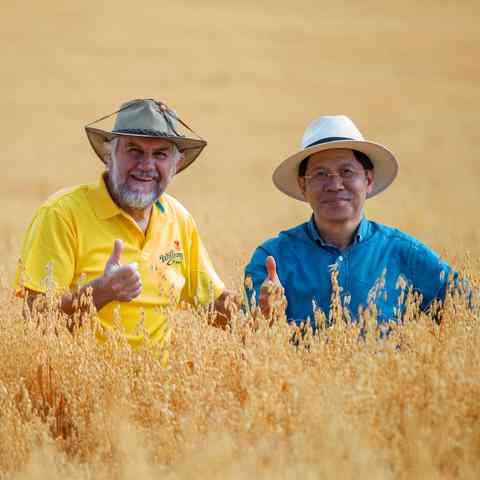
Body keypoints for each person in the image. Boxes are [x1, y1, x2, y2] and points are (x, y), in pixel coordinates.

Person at [15, 98, 231, 352]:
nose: (146, 165)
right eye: (134, 150)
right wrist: (99, 293)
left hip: (161, 389)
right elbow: (35, 320)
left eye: (160, 154)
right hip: (80, 388)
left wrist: (268, 310)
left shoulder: (178, 218)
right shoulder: (62, 214)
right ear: (109, 155)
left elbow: (213, 305)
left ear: (176, 164)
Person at [245, 115, 456, 327]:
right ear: (303, 185)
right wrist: (262, 315)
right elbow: (244, 335)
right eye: (320, 174)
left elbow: (467, 312)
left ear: (368, 180)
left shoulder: (406, 254)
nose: (335, 184)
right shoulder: (272, 259)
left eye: (347, 171)